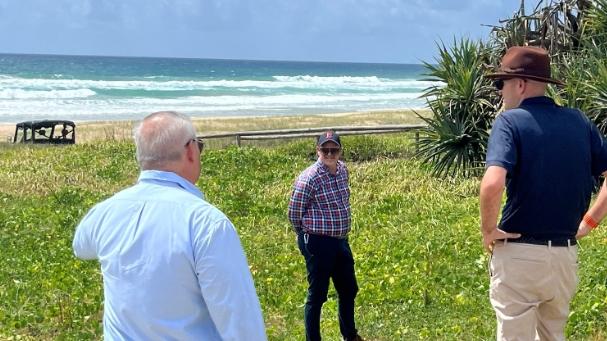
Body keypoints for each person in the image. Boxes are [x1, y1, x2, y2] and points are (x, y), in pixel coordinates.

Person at [72, 111, 267, 340]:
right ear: (191, 151)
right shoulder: (206, 223)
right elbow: (240, 322)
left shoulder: (106, 211)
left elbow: (81, 247)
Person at [480, 46, 607, 340]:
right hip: (564, 255)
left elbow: (493, 182)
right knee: (553, 334)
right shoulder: (579, 122)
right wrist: (589, 222)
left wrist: (489, 230)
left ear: (521, 84)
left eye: (502, 84)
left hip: (520, 252)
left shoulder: (509, 122)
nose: (500, 92)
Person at [288, 130, 363, 341]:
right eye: (325, 149)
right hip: (318, 242)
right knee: (317, 295)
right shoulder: (309, 178)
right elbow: (294, 213)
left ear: (340, 151)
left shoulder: (342, 171)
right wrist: (306, 237)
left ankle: (349, 334)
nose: (329, 154)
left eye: (334, 149)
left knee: (348, 288)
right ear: (318, 151)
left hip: (340, 240)